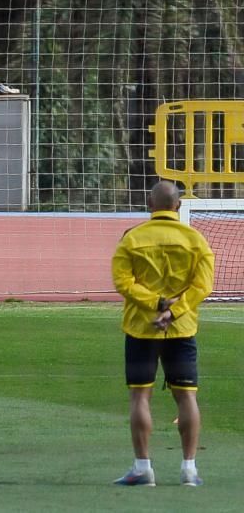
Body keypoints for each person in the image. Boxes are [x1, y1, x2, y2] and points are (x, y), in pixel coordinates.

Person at [111, 180, 214, 487]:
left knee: (140, 396)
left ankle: (143, 468)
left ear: (149, 203)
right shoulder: (196, 240)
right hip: (181, 329)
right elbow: (202, 286)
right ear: (178, 205)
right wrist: (174, 311)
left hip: (141, 328)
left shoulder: (132, 239)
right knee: (187, 397)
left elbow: (123, 282)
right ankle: (189, 469)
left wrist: (155, 304)